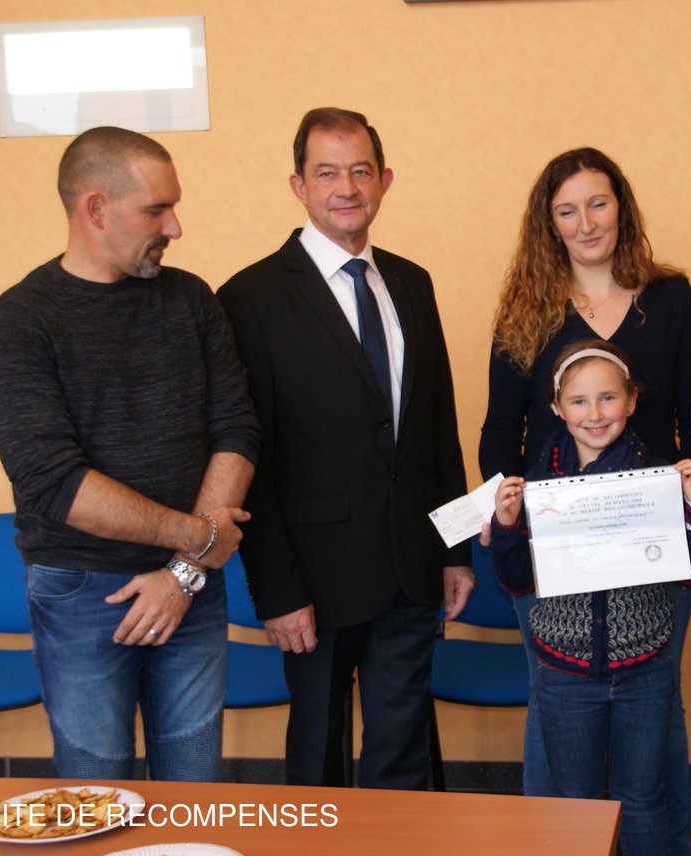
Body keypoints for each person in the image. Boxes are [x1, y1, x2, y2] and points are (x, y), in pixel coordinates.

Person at [0, 126, 259, 781]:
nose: (176, 227)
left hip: (193, 584)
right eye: (157, 210)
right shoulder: (20, 319)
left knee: (192, 781)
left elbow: (236, 428)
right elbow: (53, 481)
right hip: (81, 590)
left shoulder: (191, 299)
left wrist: (183, 571)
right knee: (95, 785)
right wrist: (197, 538)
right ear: (96, 208)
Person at [216, 107, 474, 789]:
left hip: (412, 566)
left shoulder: (412, 283)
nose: (347, 188)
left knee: (403, 753)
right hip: (314, 583)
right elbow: (249, 459)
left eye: (361, 170)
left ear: (384, 181)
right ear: (298, 186)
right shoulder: (249, 299)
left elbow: (438, 430)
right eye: (327, 172)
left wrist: (455, 550)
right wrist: (277, 591)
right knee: (318, 754)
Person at [479, 147, 691, 849]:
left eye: (598, 203)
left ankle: (663, 843)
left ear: (622, 207)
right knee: (553, 704)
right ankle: (555, 841)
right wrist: (503, 510)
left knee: (658, 703)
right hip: (552, 551)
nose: (586, 223)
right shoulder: (526, 308)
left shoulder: (670, 298)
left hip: (652, 549)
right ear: (548, 223)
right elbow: (500, 429)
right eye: (567, 210)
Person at [489, 339, 691, 856]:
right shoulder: (538, 483)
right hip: (564, 673)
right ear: (556, 408)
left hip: (645, 671)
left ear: (631, 401)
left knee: (643, 798)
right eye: (578, 401)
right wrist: (506, 525)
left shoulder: (658, 477)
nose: (594, 414)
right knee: (575, 803)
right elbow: (517, 581)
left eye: (608, 398)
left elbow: (690, 573)